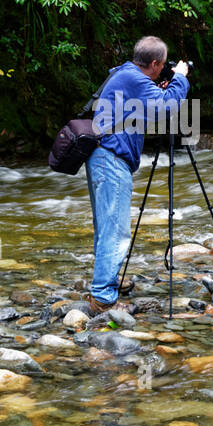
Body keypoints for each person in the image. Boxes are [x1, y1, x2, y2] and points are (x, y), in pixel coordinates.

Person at [84, 36, 190, 313]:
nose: (165, 68)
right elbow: (168, 107)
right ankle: (103, 298)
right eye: (164, 65)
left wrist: (160, 90)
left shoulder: (125, 73)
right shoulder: (133, 78)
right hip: (110, 159)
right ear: (155, 63)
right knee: (115, 231)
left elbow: (151, 108)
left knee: (106, 226)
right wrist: (180, 78)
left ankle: (105, 282)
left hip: (102, 156)